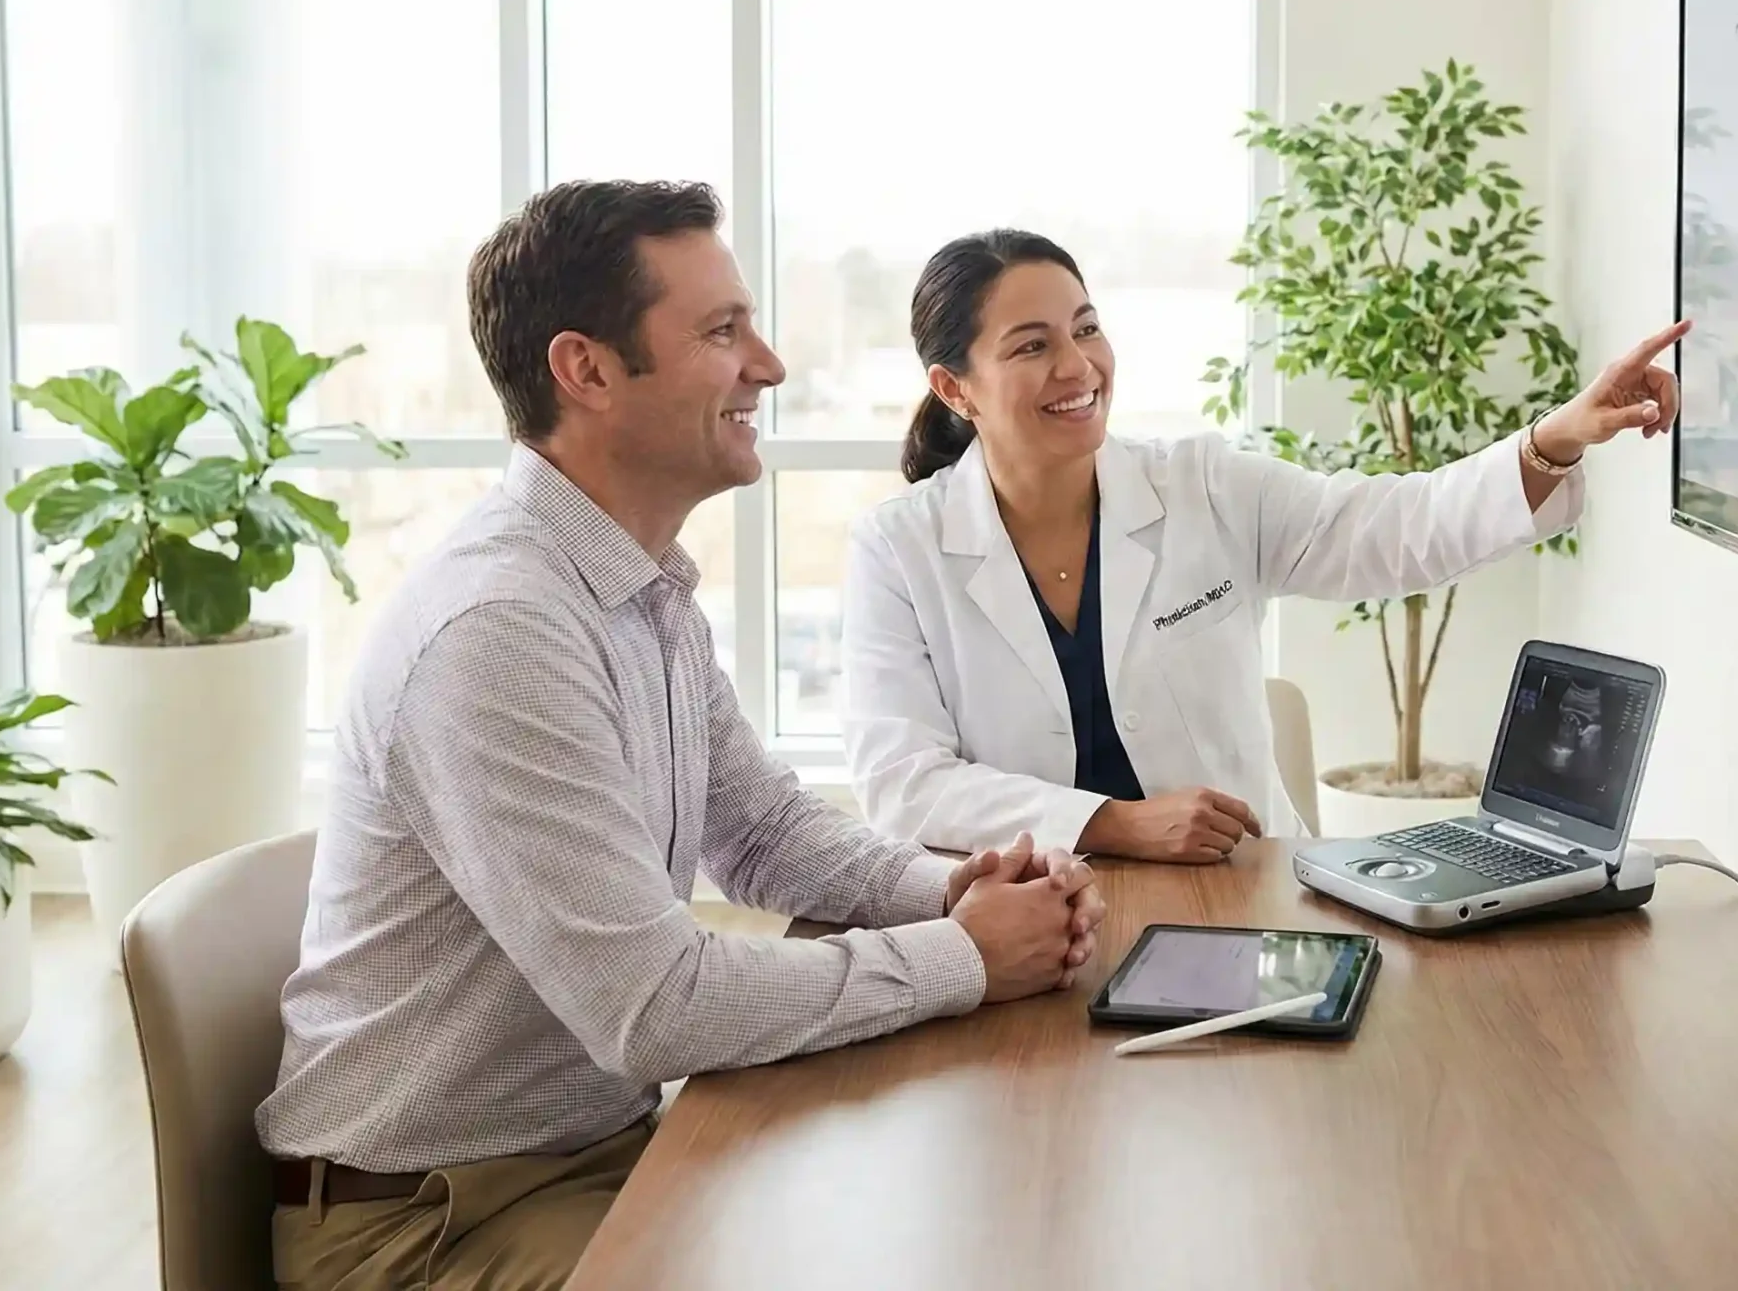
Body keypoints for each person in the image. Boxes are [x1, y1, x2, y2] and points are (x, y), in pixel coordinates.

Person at [255, 183, 1105, 1291]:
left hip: (591, 1151)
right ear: (588, 371)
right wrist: (966, 955)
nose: (769, 363)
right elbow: (657, 1008)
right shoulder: (499, 632)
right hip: (428, 1224)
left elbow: (759, 831)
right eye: (721, 331)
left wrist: (950, 890)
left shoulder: (633, 585)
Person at [841, 228, 1685, 863]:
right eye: (1033, 345)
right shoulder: (899, 551)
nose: (1079, 365)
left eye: (1086, 327)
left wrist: (1559, 436)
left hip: (1240, 899)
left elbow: (1398, 529)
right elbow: (901, 782)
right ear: (955, 387)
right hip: (1026, 930)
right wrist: (1115, 824)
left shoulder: (1203, 487)